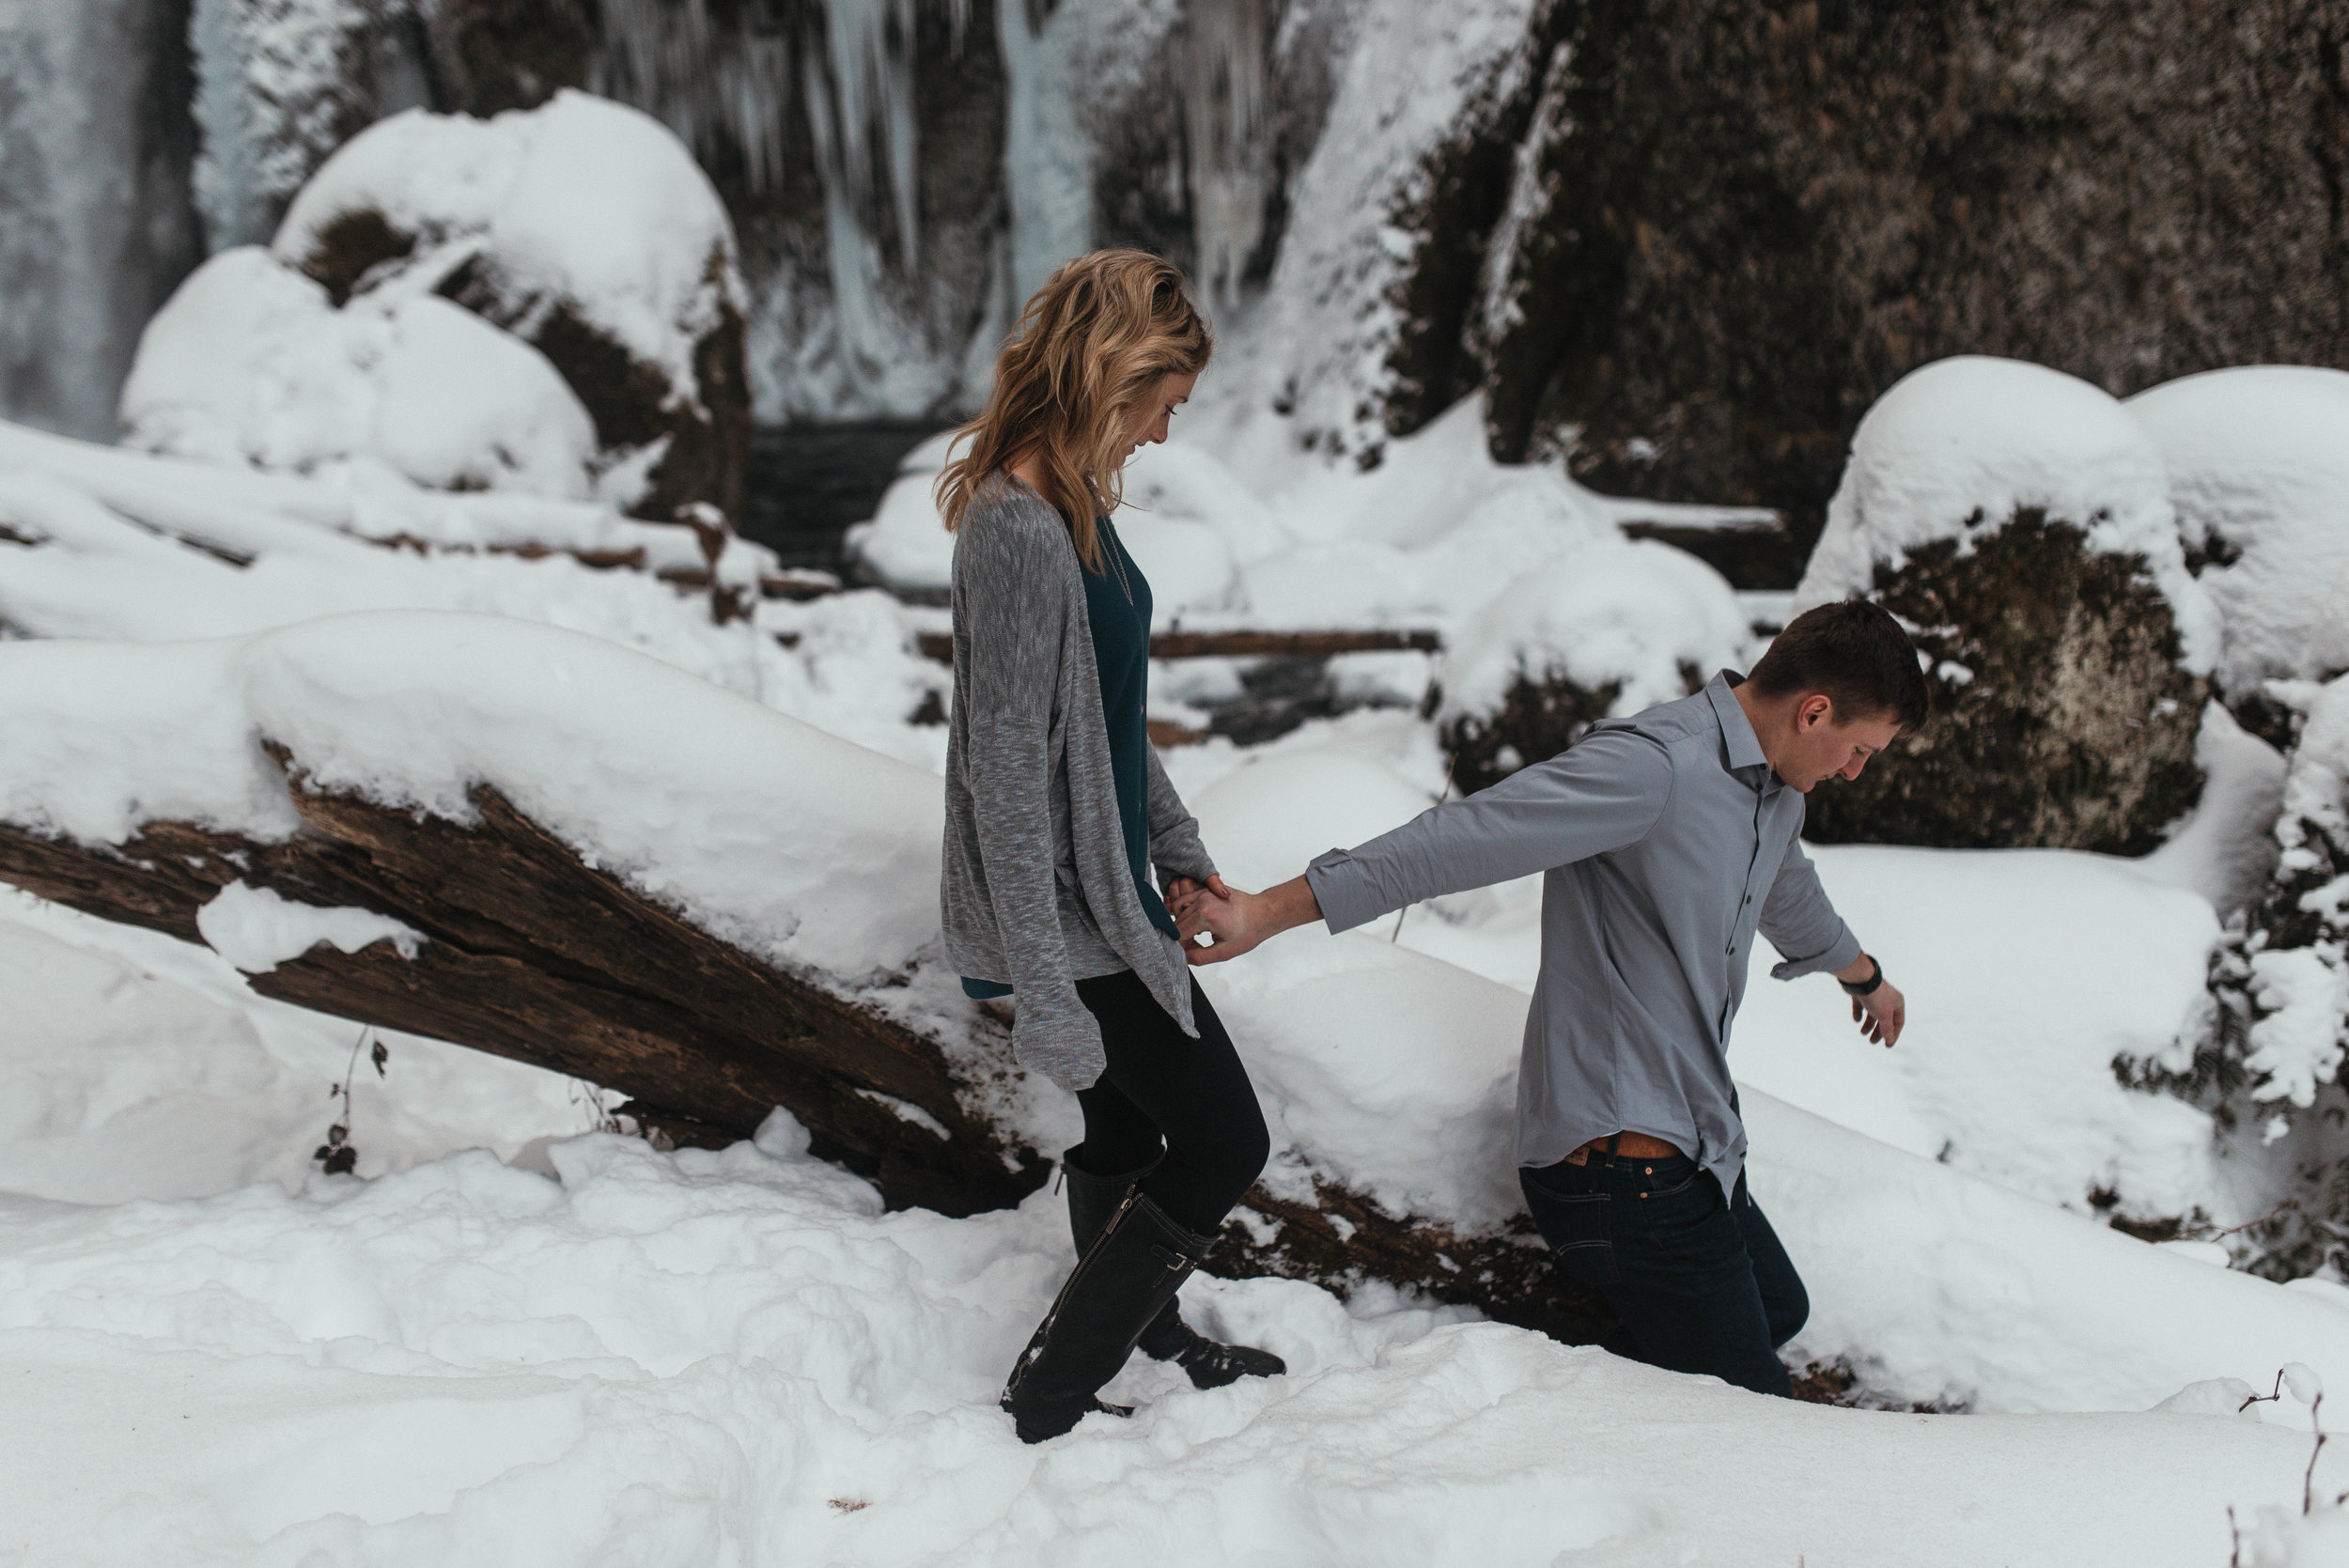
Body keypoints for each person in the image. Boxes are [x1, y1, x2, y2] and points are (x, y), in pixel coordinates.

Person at [1171, 601, 1929, 1398]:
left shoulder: (1774, 791)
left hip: (1695, 1142)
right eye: (1859, 750)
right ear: (1814, 711)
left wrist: (1864, 976)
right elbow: (1458, 840)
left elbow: (1789, 888)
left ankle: (1576, 1396)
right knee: (1756, 1404)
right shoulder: (1654, 767)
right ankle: (1537, 1408)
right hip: (1619, 1171)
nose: (1856, 771)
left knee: (1780, 1306)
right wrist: (1264, 911)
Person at [935, 249, 1282, 1444]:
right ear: (1111, 375)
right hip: (1061, 908)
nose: (1164, 435)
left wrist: (1174, 847)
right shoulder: (1018, 528)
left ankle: (1140, 1331)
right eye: (1164, 404)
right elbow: (1008, 782)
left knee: (1132, 1132)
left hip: (1105, 885)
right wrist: (1043, 983)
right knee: (1228, 1139)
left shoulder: (1070, 507)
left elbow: (1103, 719)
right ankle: (1053, 1389)